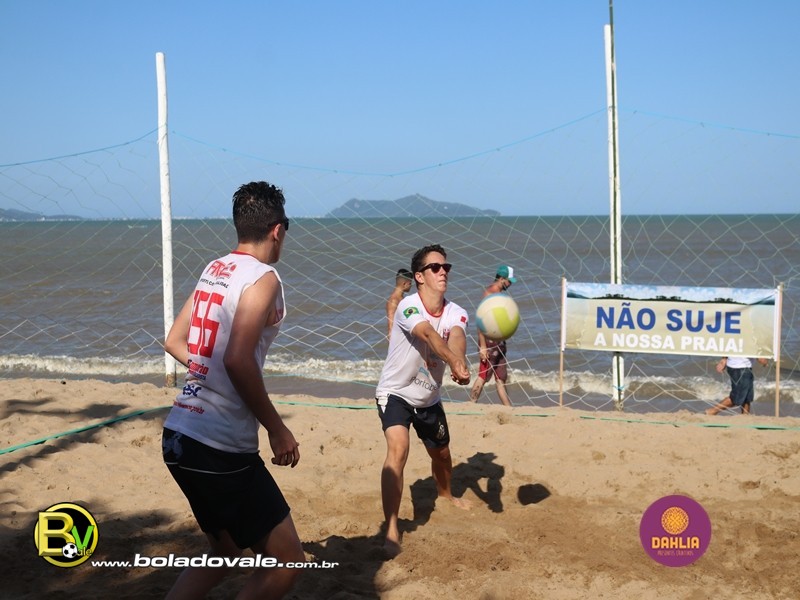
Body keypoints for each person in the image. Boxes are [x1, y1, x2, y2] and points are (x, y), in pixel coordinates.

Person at [161, 181, 304, 599]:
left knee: (224, 552)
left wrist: (204, 370)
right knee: (287, 561)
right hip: (218, 446)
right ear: (277, 230)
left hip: (179, 435)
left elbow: (174, 341)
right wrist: (277, 428)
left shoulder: (215, 268)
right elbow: (238, 360)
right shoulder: (264, 278)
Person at [376, 244, 472, 557]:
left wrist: (460, 361)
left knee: (441, 454)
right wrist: (453, 361)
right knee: (398, 448)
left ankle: (445, 495)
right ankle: (392, 527)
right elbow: (429, 334)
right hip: (396, 392)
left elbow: (456, 335)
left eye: (446, 267)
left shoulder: (456, 310)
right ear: (419, 276)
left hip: (428, 397)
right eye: (435, 267)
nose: (443, 272)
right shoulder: (408, 306)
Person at [469, 265, 517, 407]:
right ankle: (471, 403)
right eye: (509, 281)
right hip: (489, 341)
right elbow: (480, 319)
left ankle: (508, 408)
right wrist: (483, 346)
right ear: (501, 279)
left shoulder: (500, 293)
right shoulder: (490, 293)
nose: (510, 284)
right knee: (483, 375)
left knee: (500, 377)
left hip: (499, 341)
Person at [386, 268, 413, 339]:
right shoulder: (394, 300)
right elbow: (391, 325)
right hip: (398, 339)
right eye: (410, 283)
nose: (411, 285)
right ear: (404, 284)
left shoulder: (402, 298)